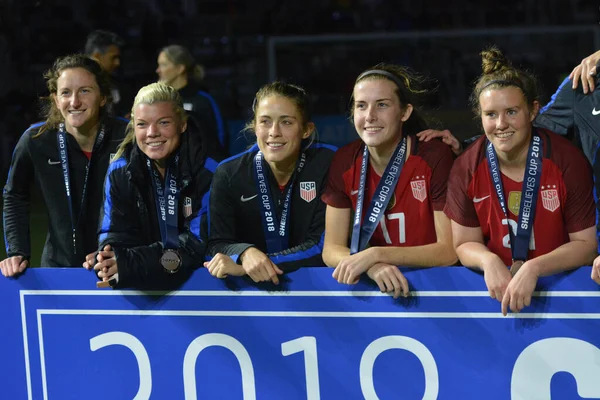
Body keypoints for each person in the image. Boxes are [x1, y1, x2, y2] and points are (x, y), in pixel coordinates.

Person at [444, 47, 597, 315]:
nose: (501, 123)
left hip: (563, 291)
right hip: (494, 293)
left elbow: (585, 246)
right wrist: (488, 260)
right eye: (490, 114)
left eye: (512, 112)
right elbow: (464, 243)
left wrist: (534, 267)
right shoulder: (466, 166)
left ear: (533, 111)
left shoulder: (567, 161)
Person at [321, 64, 457, 299]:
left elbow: (449, 251)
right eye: (361, 106)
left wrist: (376, 255)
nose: (370, 116)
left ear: (405, 113)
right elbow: (331, 249)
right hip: (378, 287)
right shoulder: (344, 160)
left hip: (435, 289)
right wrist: (371, 265)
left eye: (382, 105)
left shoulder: (433, 157)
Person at [2, 54, 127, 276]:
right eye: (66, 93)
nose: (75, 102)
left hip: (117, 266)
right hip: (59, 270)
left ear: (103, 98)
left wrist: (128, 254)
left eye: (85, 91)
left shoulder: (128, 138)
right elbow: (14, 194)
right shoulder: (36, 140)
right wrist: (17, 251)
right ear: (56, 99)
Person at [204, 82, 336, 284]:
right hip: (252, 294)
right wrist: (245, 253)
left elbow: (323, 245)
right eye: (265, 121)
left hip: (320, 288)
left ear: (306, 130)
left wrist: (258, 264)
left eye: (287, 122)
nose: (274, 132)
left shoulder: (329, 164)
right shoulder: (229, 173)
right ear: (254, 126)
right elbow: (217, 242)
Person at [89, 82, 216, 289]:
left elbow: (197, 246)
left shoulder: (210, 172)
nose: (152, 132)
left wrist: (131, 263)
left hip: (202, 288)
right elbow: (113, 234)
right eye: (142, 124)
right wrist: (107, 259)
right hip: (142, 288)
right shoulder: (120, 170)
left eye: (164, 123)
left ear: (182, 124)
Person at [156, 44, 227, 158]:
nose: (158, 70)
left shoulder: (203, 100)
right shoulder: (160, 101)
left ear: (180, 68)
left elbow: (219, 138)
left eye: (163, 65)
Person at [84, 30, 129, 117]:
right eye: (113, 57)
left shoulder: (115, 84)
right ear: (96, 56)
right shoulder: (76, 83)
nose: (117, 63)